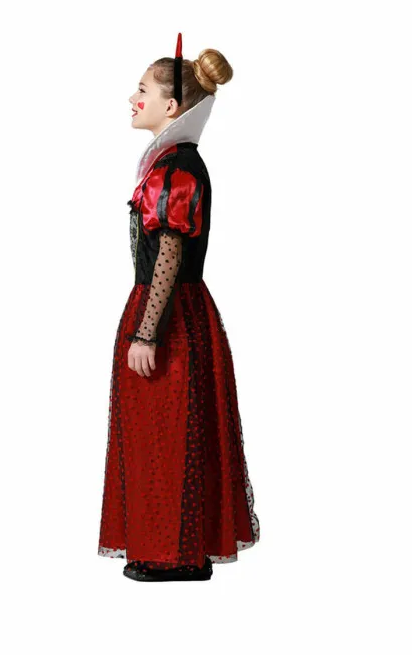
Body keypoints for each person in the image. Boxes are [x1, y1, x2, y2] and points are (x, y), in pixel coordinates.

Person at [97, 33, 260, 582]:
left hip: (169, 318)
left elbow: (169, 252)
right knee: (159, 434)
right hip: (170, 310)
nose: (133, 98)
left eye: (142, 89)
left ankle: (178, 554)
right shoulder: (168, 163)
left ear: (171, 106)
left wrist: (147, 334)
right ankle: (166, 547)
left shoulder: (177, 170)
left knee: (170, 435)